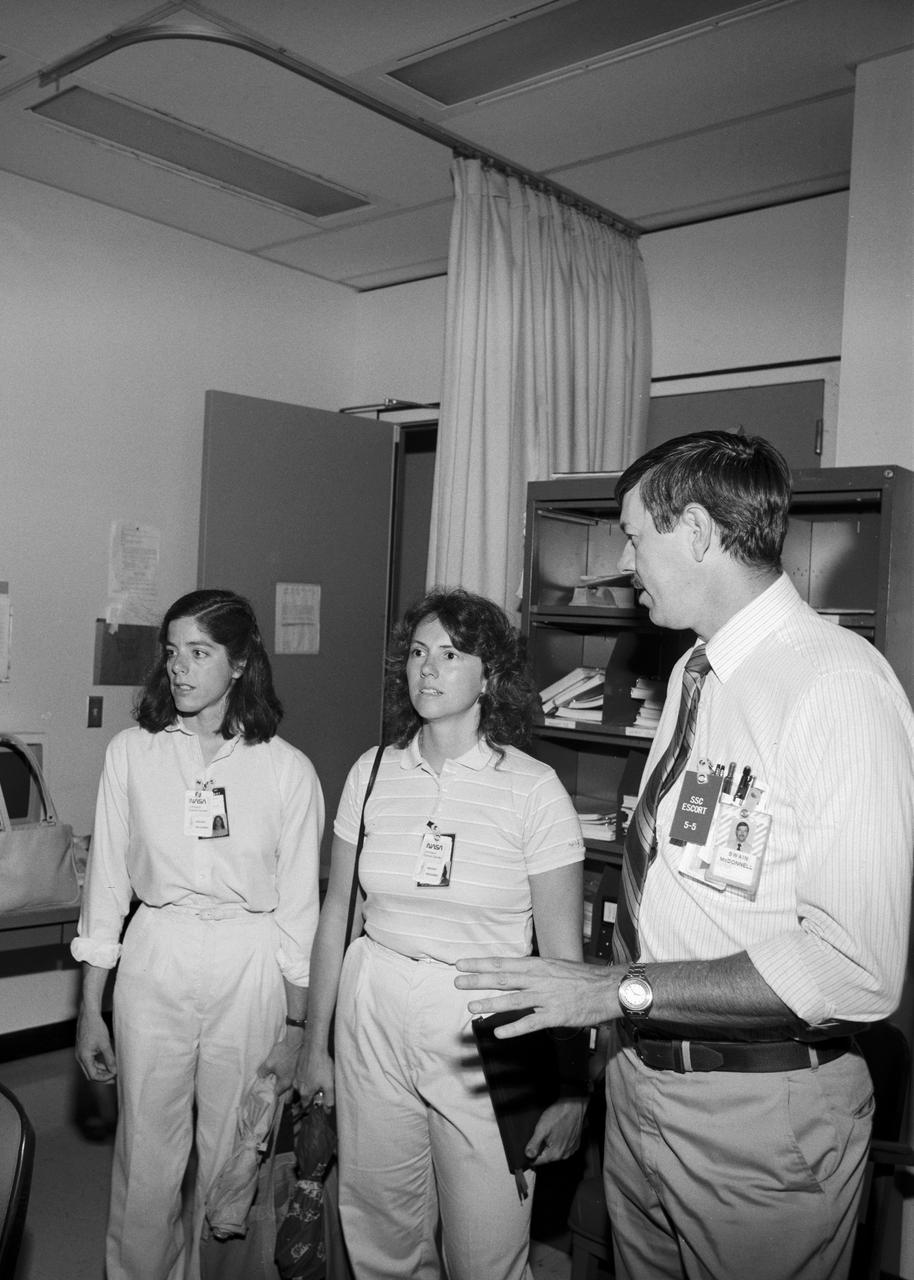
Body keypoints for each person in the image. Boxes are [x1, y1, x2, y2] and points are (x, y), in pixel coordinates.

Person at [455, 431, 914, 1280]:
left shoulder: (835, 687)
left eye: (635, 536)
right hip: (645, 1082)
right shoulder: (698, 676)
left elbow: (857, 966)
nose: (626, 562)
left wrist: (613, 988)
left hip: (760, 1113)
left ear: (697, 532)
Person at [293, 587, 588, 1280]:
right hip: (375, 1000)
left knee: (485, 1248)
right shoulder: (371, 772)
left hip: (485, 1017)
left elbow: (566, 962)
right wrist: (314, 1045)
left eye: (452, 654)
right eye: (419, 653)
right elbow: (338, 914)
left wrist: (573, 1088)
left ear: (491, 676)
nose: (429, 668)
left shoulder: (533, 790)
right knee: (380, 1229)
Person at [72, 588, 323, 1280]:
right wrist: (90, 1005)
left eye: (200, 652)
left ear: (241, 663)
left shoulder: (287, 771)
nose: (179, 668)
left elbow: (301, 910)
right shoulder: (133, 754)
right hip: (157, 952)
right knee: (147, 1157)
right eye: (173, 652)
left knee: (234, 1153)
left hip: (251, 959)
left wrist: (298, 1027)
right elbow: (106, 889)